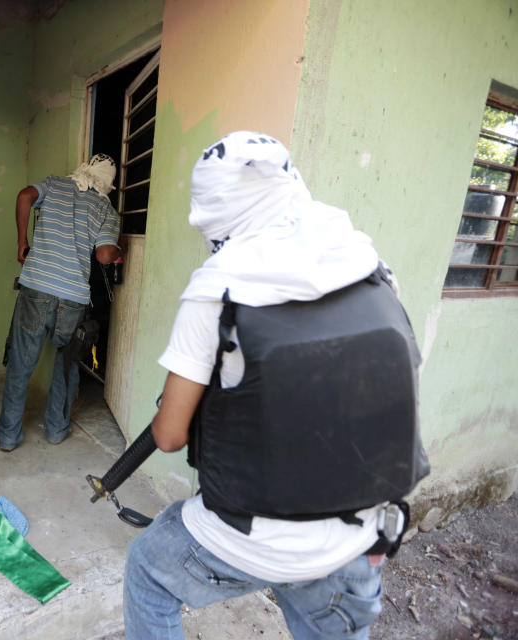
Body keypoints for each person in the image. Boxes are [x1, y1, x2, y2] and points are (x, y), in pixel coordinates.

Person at [122, 132, 429, 639]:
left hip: (250, 535)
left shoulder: (217, 288)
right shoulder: (369, 266)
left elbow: (171, 435)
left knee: (148, 571)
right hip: (358, 533)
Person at [0, 154, 123, 451]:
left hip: (37, 287)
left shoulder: (55, 185)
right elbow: (105, 256)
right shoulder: (106, 209)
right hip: (73, 297)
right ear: (109, 182)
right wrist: (120, 247)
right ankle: (55, 430)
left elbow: (25, 196)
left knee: (20, 364)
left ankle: (8, 436)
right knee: (66, 367)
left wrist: (21, 242)